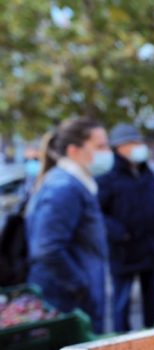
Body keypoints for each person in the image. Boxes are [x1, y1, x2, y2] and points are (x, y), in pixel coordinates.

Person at [25, 118, 110, 333]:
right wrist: (80, 286)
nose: (108, 152)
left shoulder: (74, 183)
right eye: (100, 146)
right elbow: (47, 248)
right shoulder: (64, 187)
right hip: (69, 303)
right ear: (74, 150)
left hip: (76, 297)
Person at [97, 124, 154, 332]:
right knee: (122, 300)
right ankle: (122, 337)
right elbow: (99, 214)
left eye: (139, 142)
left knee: (151, 300)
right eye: (133, 143)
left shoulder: (148, 173)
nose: (139, 147)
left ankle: (152, 333)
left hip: (149, 246)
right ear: (119, 147)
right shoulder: (108, 177)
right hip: (124, 249)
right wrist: (118, 232)